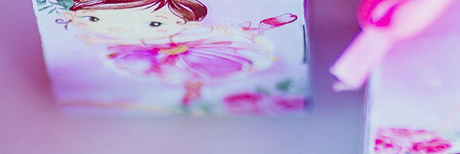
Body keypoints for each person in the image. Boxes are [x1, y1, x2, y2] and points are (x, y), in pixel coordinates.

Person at [61, 0, 294, 106]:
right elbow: (125, 36)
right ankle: (188, 94)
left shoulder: (186, 32)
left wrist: (252, 30)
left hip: (191, 52)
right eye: (93, 18)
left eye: (155, 23)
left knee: (191, 74)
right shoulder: (133, 37)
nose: (119, 28)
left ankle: (193, 91)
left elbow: (197, 36)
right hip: (151, 54)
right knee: (163, 74)